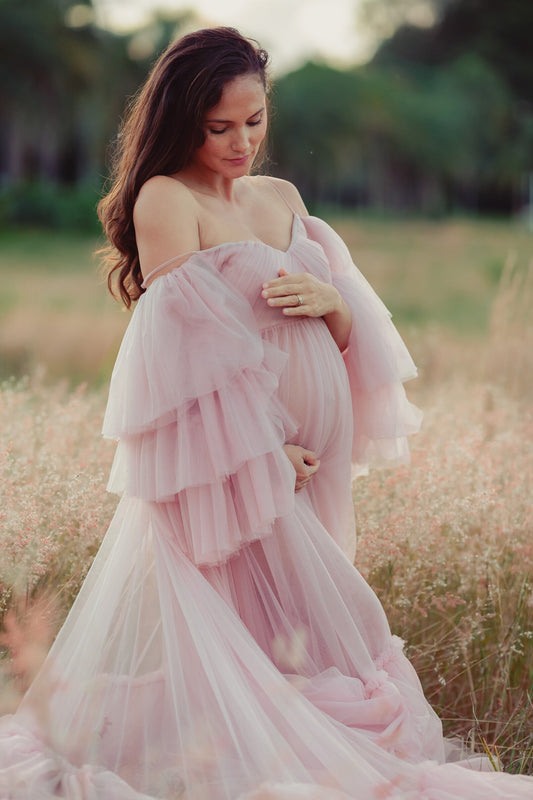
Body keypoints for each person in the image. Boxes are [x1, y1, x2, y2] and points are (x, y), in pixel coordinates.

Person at [0, 26, 531, 800]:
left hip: (309, 463)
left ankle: (271, 753)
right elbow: (181, 352)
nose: (240, 141)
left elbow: (353, 330)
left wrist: (332, 306)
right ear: (181, 119)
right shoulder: (165, 200)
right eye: (219, 127)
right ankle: (248, 762)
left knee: (300, 632)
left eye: (254, 122)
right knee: (299, 618)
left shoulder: (280, 198)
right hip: (229, 464)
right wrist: (257, 451)